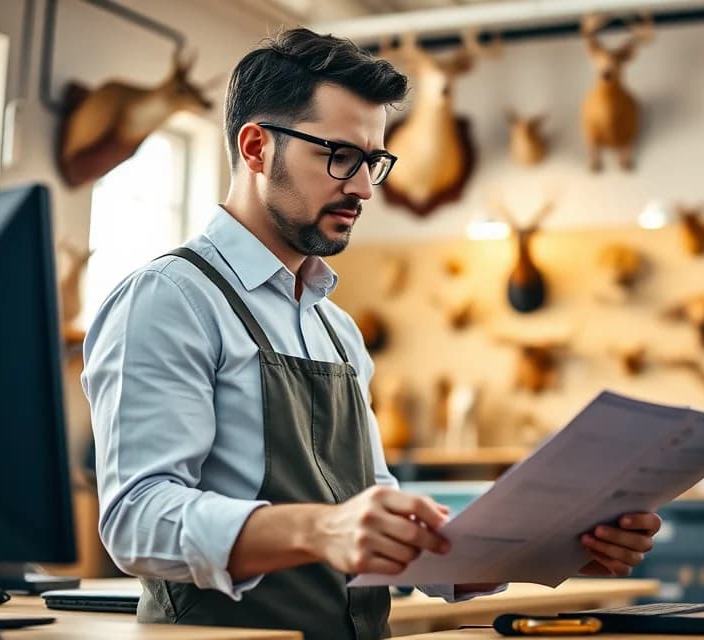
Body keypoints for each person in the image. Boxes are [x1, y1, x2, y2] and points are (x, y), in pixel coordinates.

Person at [81, 27, 662, 640]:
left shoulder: (337, 330)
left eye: (373, 161)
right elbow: (136, 519)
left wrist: (549, 547)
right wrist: (318, 528)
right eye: (339, 156)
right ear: (256, 148)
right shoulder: (169, 300)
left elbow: (382, 530)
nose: (361, 187)